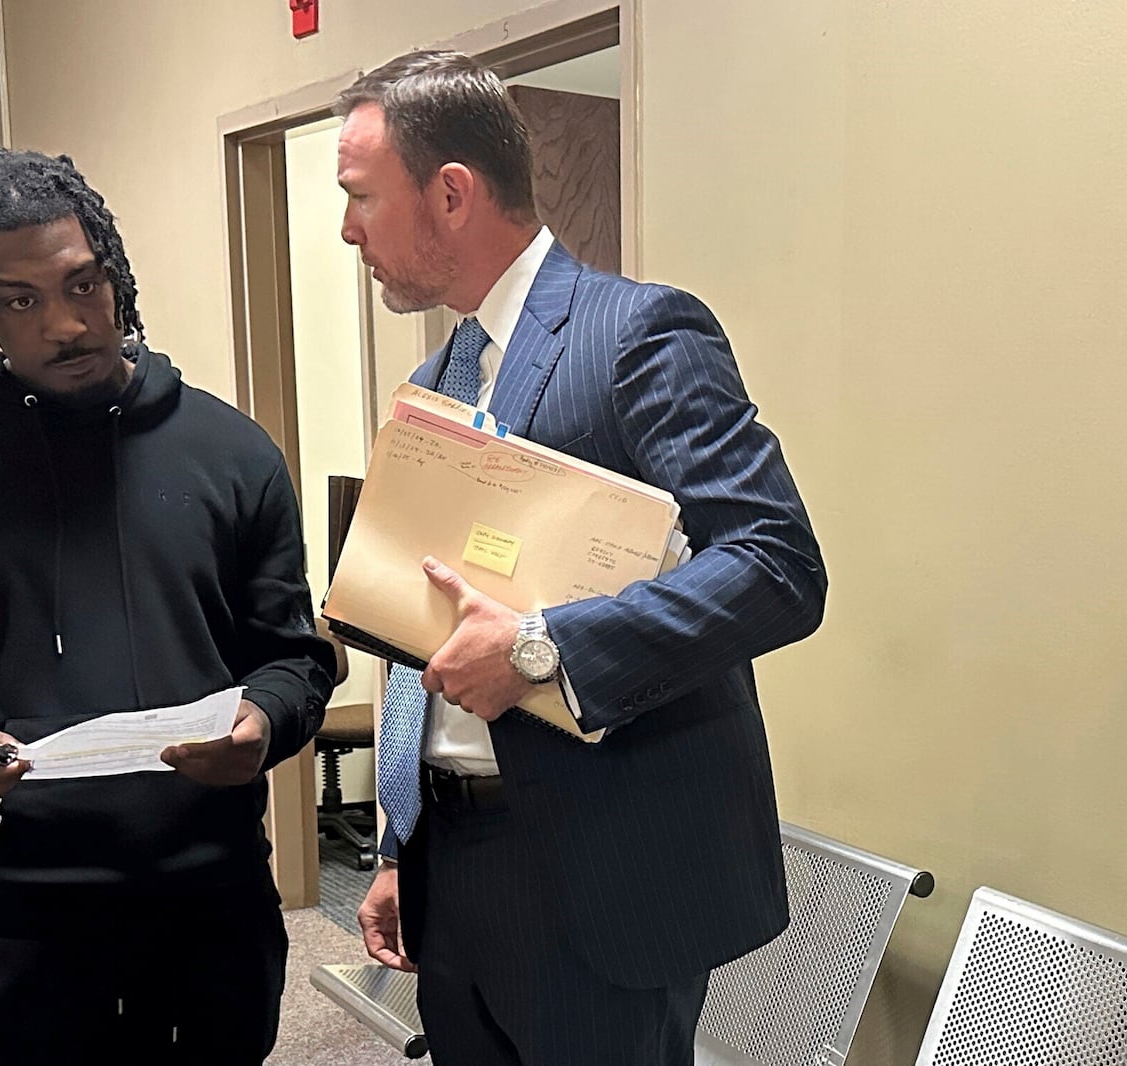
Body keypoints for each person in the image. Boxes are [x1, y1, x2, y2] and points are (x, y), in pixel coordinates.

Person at [336, 52, 827, 1065]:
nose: (351, 233)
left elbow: (777, 563)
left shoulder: (637, 334)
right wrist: (398, 843)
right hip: (456, 869)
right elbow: (424, 635)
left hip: (604, 872)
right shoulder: (436, 382)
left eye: (361, 200)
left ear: (451, 193)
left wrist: (538, 649)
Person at [0, 146, 335, 1065]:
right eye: (20, 299)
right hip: (23, 911)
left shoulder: (233, 453)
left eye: (82, 284)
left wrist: (264, 722)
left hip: (210, 901)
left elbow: (293, 655)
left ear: (116, 276)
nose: (65, 323)